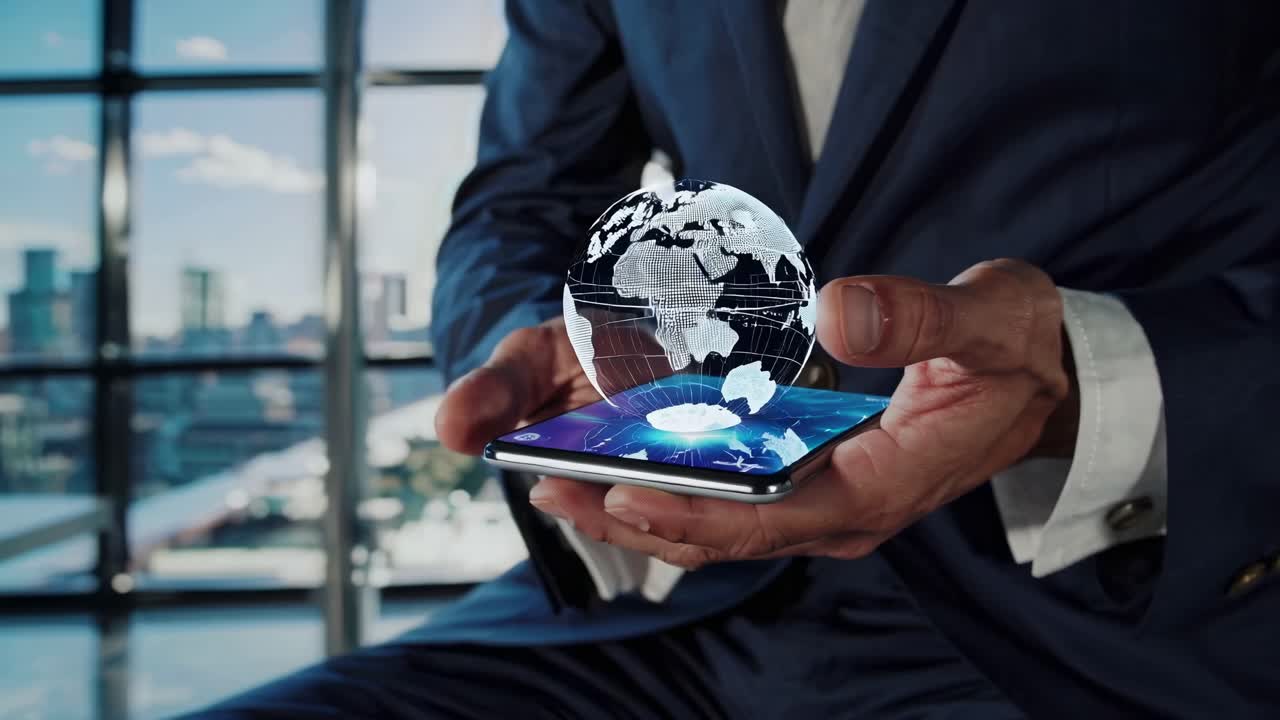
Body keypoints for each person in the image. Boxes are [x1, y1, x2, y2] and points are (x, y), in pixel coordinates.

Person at [197, 1, 1280, 717]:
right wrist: (547, 342)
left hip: (1113, 625)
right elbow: (520, 201)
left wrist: (1082, 383)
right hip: (664, 611)